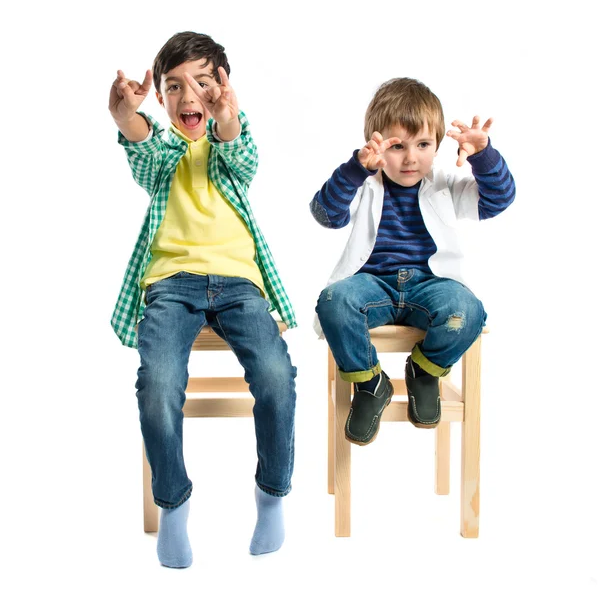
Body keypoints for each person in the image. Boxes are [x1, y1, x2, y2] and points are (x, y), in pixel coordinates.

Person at [109, 31, 297, 567]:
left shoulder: (230, 143)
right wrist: (125, 115)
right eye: (173, 86)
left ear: (222, 88)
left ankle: (271, 495)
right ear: (163, 99)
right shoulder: (164, 154)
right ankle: (173, 504)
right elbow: (139, 140)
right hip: (171, 286)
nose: (188, 95)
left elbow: (240, 150)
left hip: (240, 285)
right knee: (159, 383)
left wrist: (227, 117)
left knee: (276, 376)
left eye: (202, 82)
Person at [311, 77, 515, 446]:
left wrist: (484, 156)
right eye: (397, 146)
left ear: (437, 145)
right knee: (333, 302)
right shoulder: (366, 181)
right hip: (374, 285)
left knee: (467, 310)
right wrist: (356, 169)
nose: (410, 158)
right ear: (376, 145)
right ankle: (371, 384)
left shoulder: (445, 183)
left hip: (430, 285)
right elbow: (325, 212)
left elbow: (498, 199)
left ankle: (423, 371)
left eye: (422, 144)